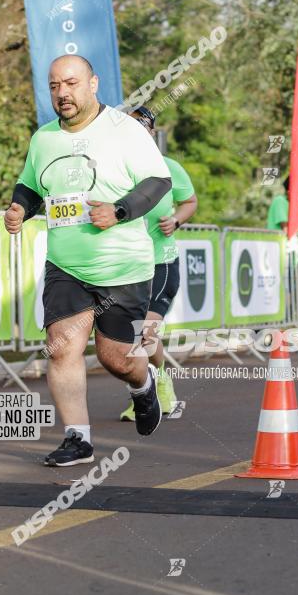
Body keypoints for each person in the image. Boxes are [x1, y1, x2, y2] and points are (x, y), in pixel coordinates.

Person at [4, 55, 172, 466]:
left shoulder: (126, 130)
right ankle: (77, 439)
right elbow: (30, 184)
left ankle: (143, 382)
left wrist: (119, 211)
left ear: (93, 84)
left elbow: (158, 181)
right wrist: (18, 208)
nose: (63, 92)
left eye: (71, 83)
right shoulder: (43, 138)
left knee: (117, 358)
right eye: (55, 85)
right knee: (61, 349)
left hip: (122, 267)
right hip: (66, 265)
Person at [119, 106, 198, 421]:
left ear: (152, 133)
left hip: (162, 264)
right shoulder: (116, 171)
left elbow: (190, 201)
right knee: (128, 339)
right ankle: (145, 390)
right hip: (126, 267)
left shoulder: (168, 168)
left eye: (142, 129)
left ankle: (159, 384)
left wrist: (176, 220)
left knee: (145, 333)